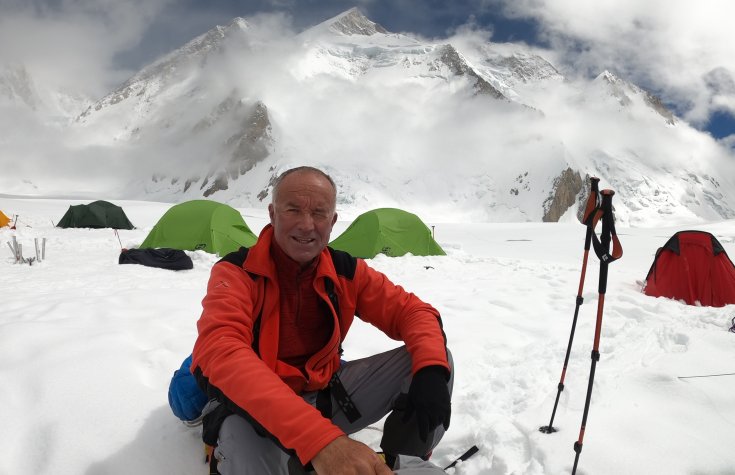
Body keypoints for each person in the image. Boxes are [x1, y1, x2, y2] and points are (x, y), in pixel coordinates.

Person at [192, 166, 453, 475]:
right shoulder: (237, 272)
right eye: (293, 210)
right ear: (272, 214)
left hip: (327, 398)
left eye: (319, 213)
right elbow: (221, 351)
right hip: (256, 413)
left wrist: (431, 374)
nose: (306, 225)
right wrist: (321, 442)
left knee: (432, 359)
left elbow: (414, 312)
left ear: (332, 222)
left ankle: (394, 464)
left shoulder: (344, 271)